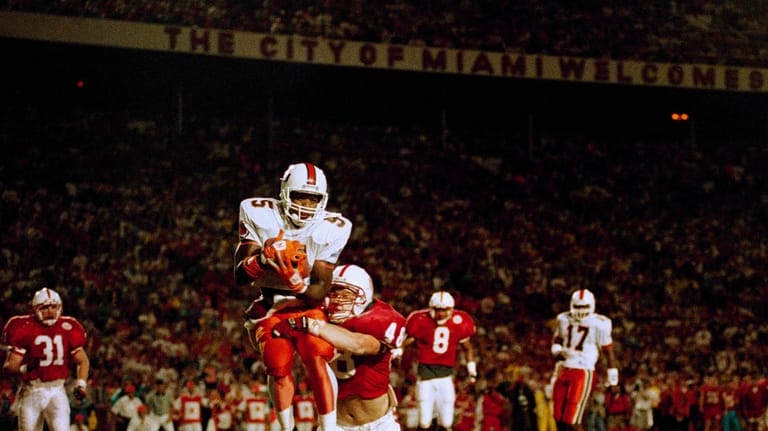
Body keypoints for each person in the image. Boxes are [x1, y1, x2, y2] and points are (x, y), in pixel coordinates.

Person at [234, 162, 352, 431]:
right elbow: (241, 276)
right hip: (272, 305)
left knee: (317, 354)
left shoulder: (333, 227)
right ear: (285, 192)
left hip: (305, 302)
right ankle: (286, 428)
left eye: (314, 199)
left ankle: (328, 427)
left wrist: (296, 283)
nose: (306, 205)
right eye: (300, 196)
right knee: (277, 365)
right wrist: (264, 258)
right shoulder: (258, 212)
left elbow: (320, 288)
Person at [272, 264, 407, 430]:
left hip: (380, 422)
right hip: (336, 424)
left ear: (362, 295)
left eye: (342, 292)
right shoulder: (320, 315)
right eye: (332, 291)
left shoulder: (383, 318)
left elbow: (360, 345)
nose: (335, 298)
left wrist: (312, 325)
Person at [1, 287, 90, 431]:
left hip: (57, 389)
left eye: (54, 307)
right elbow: (9, 367)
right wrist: (26, 368)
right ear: (35, 309)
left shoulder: (68, 326)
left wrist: (81, 384)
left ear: (60, 307)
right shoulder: (24, 327)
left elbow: (83, 360)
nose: (50, 311)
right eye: (45, 307)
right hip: (32, 390)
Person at [403, 290, 477, 431]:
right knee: (424, 422)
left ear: (451, 309)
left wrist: (471, 370)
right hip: (426, 376)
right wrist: (398, 350)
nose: (441, 314)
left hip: (446, 376)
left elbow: (468, 348)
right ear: (432, 308)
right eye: (438, 310)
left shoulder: (460, 321)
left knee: (447, 422)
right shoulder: (420, 319)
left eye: (445, 310)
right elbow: (409, 339)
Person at [549, 288, 619, 431]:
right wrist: (556, 350)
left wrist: (613, 380)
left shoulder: (599, 323)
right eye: (578, 306)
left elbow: (609, 352)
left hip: (582, 371)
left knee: (574, 420)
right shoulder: (563, 318)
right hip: (564, 369)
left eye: (584, 307)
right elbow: (558, 337)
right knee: (558, 418)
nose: (580, 310)